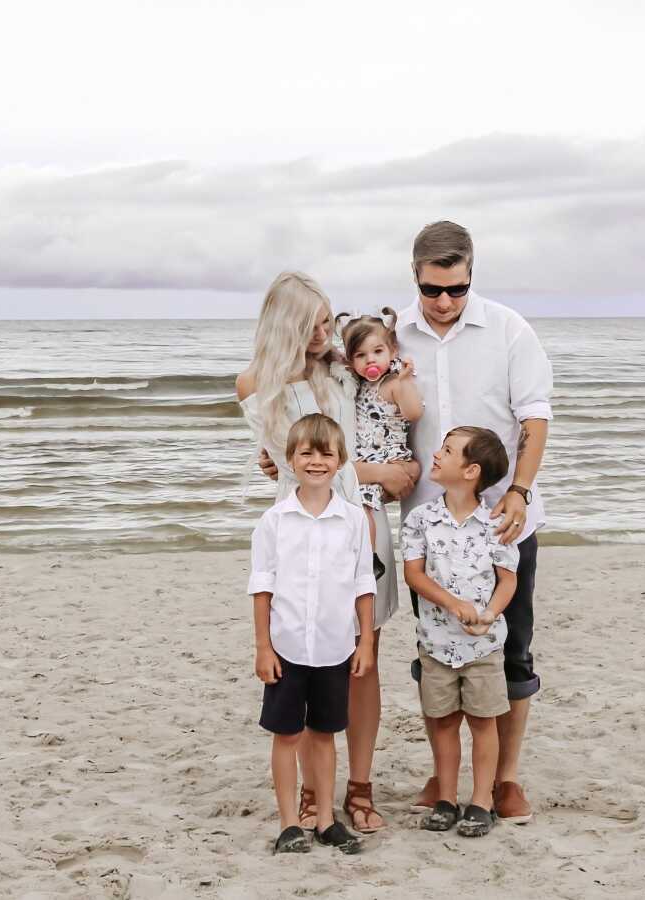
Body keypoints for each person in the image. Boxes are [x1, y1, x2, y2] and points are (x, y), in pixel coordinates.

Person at [237, 271, 414, 833]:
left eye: (326, 319)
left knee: (360, 659)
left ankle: (358, 785)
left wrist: (393, 462)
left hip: (359, 522)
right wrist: (382, 471)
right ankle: (314, 792)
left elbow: (388, 415)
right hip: (298, 530)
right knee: (300, 655)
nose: (324, 331)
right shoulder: (254, 384)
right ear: (286, 323)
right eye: (313, 322)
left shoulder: (342, 370)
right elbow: (295, 462)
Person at [397, 221, 553, 824]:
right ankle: (444, 778)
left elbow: (534, 419)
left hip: (503, 521)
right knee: (435, 653)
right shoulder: (393, 335)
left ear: (470, 278)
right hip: (426, 526)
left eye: (457, 290)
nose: (444, 302)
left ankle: (504, 781)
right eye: (434, 289)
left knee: (508, 653)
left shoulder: (509, 329)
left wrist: (518, 490)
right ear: (416, 275)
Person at [250, 414, 375, 854]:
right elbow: (262, 586)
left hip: (335, 646)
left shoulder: (354, 520)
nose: (316, 461)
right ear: (290, 459)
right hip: (286, 647)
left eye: (326, 453)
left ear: (340, 461)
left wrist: (366, 642)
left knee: (324, 734)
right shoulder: (274, 521)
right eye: (306, 452)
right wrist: (264, 647)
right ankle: (289, 823)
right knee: (287, 735)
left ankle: (325, 819)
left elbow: (364, 583)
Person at [402, 426, 518, 838]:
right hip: (436, 643)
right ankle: (446, 798)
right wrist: (453, 605)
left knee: (484, 722)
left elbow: (507, 580)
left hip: (483, 646)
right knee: (443, 721)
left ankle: (482, 800)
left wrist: (488, 614)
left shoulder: (495, 522)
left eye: (447, 451)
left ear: (470, 471)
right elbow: (413, 574)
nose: (436, 454)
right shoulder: (421, 519)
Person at [336, 307, 423, 557]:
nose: (370, 360)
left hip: (388, 454)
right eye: (360, 355)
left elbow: (414, 413)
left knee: (363, 504)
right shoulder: (359, 384)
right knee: (359, 501)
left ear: (392, 350)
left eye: (377, 351)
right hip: (367, 456)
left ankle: (369, 557)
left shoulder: (393, 383)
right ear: (350, 360)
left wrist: (405, 382)